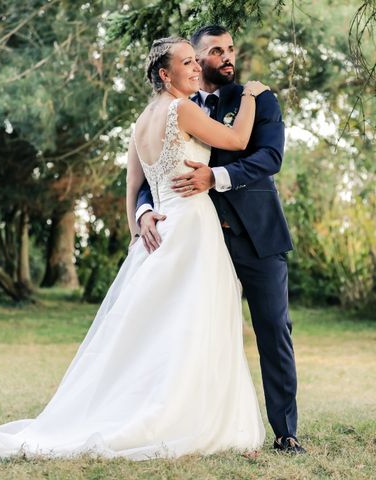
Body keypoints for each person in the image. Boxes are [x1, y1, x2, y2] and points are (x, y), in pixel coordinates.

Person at [0, 37, 270, 461]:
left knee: (159, 326)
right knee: (192, 321)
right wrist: (255, 94)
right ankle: (182, 415)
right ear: (165, 75)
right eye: (186, 62)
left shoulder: (141, 121)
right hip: (191, 227)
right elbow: (238, 141)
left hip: (158, 231)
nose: (196, 66)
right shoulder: (182, 109)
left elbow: (132, 188)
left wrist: (137, 229)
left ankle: (167, 406)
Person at [136, 25, 304, 454]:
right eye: (214, 51)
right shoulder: (176, 104)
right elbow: (148, 174)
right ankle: (194, 422)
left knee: (273, 329)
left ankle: (285, 432)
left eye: (230, 49)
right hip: (198, 239)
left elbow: (269, 156)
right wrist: (144, 212)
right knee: (195, 332)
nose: (227, 57)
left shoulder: (257, 97)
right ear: (193, 58)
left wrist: (217, 176)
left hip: (256, 234)